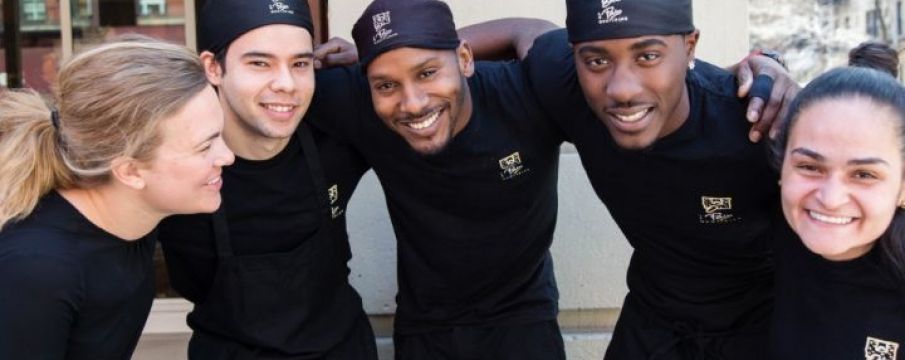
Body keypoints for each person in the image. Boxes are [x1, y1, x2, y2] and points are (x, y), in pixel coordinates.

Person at [477, 0, 793, 358]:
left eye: (648, 57)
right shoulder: (567, 83)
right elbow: (524, 30)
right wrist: (415, 63)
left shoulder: (756, 125)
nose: (622, 89)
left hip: (758, 328)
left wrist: (772, 61)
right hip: (652, 324)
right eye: (596, 60)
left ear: (689, 46)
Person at [308, 0, 567, 358]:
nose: (412, 103)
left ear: (464, 59)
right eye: (386, 84)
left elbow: (545, 37)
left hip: (523, 317)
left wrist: (407, 46)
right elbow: (263, 96)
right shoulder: (359, 100)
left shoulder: (523, 94)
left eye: (427, 73)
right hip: (424, 325)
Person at [155, 0, 377, 358]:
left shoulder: (338, 117)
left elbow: (442, 69)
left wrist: (381, 55)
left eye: (300, 63)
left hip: (342, 349)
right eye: (260, 63)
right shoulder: (171, 164)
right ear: (212, 67)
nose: (286, 84)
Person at [0, 37, 234, 359]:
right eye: (205, 146)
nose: (228, 156)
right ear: (130, 172)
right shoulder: (39, 270)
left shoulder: (135, 219)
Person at [771, 66, 905, 359]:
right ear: (781, 168)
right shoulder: (745, 255)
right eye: (809, 167)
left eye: (864, 174)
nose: (831, 199)